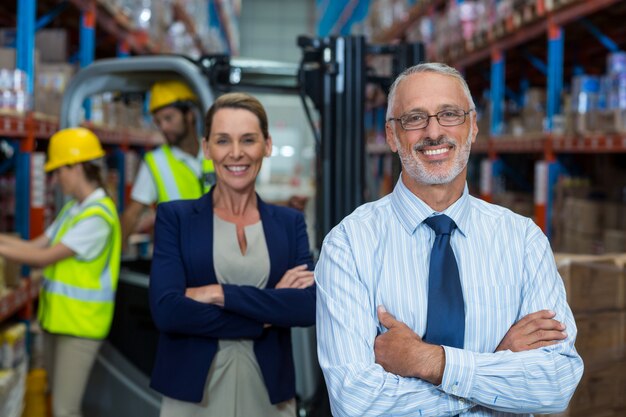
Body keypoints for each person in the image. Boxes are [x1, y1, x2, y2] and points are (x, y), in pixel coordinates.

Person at [315, 63, 584, 416]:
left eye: (449, 114)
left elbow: (556, 383)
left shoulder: (522, 241)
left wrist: (431, 362)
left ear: (472, 127)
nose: (434, 131)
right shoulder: (349, 246)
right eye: (414, 118)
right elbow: (357, 403)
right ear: (392, 136)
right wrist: (496, 364)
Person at [149, 92, 316, 416]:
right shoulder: (176, 218)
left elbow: (306, 307)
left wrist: (217, 293)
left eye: (248, 140)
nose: (236, 153)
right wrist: (268, 312)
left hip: (270, 397)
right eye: (223, 140)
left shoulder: (288, 223)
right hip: (192, 399)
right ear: (206, 147)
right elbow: (168, 312)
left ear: (266, 145)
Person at [0, 127, 121, 417]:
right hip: (58, 321)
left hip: (81, 329)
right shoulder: (74, 210)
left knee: (66, 410)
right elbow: (33, 245)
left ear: (77, 166)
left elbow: (42, 258)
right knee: (56, 402)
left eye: (58, 171)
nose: (55, 179)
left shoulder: (98, 217)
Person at [120, 80, 215, 246]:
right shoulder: (156, 163)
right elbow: (131, 215)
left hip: (218, 260)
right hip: (179, 263)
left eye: (168, 118)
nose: (163, 127)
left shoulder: (217, 153)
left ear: (189, 115)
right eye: (158, 122)